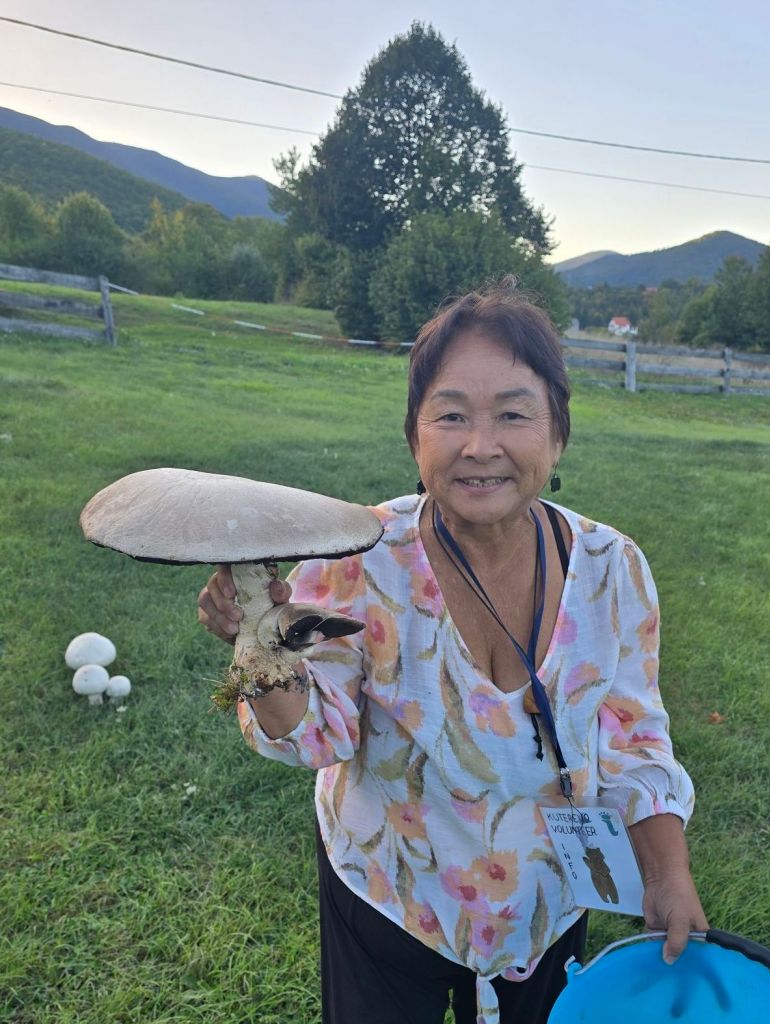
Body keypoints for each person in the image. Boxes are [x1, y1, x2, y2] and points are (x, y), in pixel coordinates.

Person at [198, 283, 708, 1024]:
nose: (480, 445)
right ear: (415, 436)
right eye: (451, 414)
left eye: (513, 413)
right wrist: (258, 642)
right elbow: (314, 738)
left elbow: (634, 739)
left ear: (558, 434)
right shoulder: (358, 558)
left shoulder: (611, 568)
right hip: (387, 893)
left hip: (549, 899)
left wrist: (665, 871)